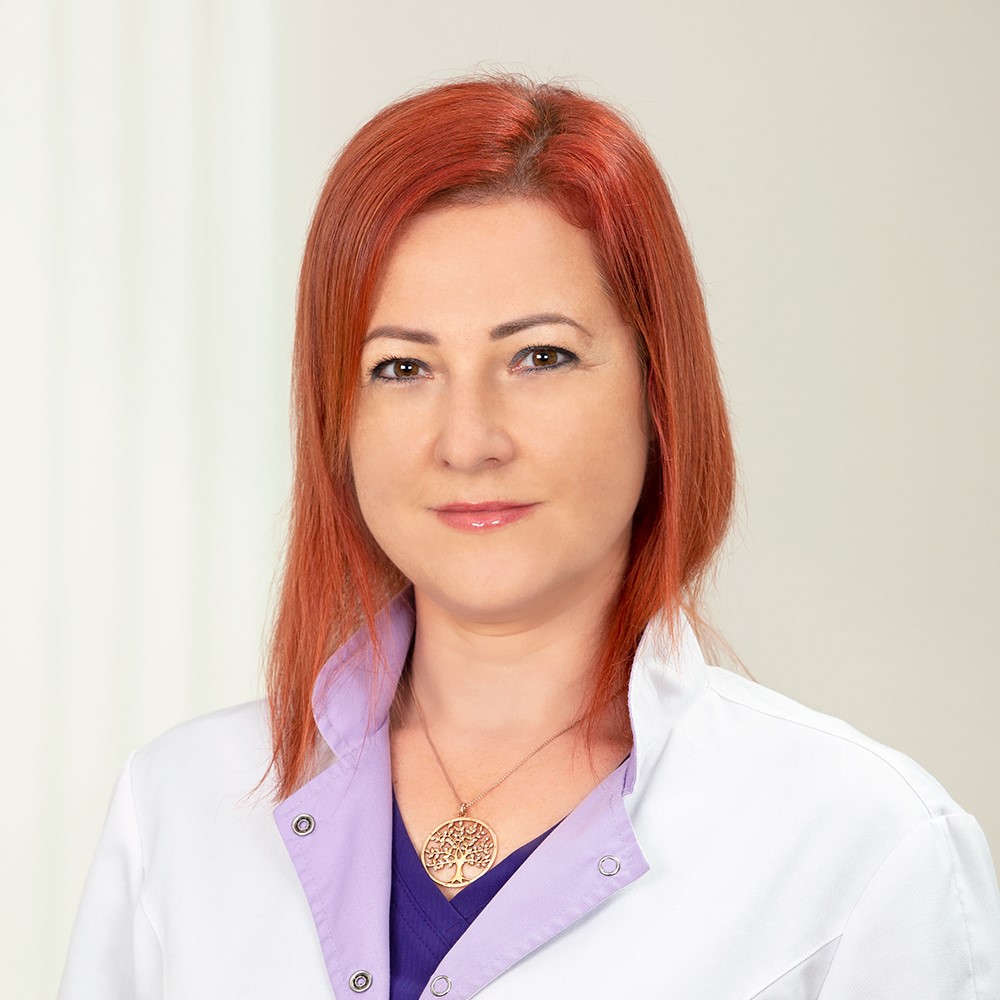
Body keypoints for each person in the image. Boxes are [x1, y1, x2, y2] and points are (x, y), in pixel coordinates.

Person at [59, 75, 1000, 1000]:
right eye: (401, 367)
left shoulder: (862, 851)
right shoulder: (178, 808)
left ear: (658, 388)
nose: (469, 441)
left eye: (539, 356)